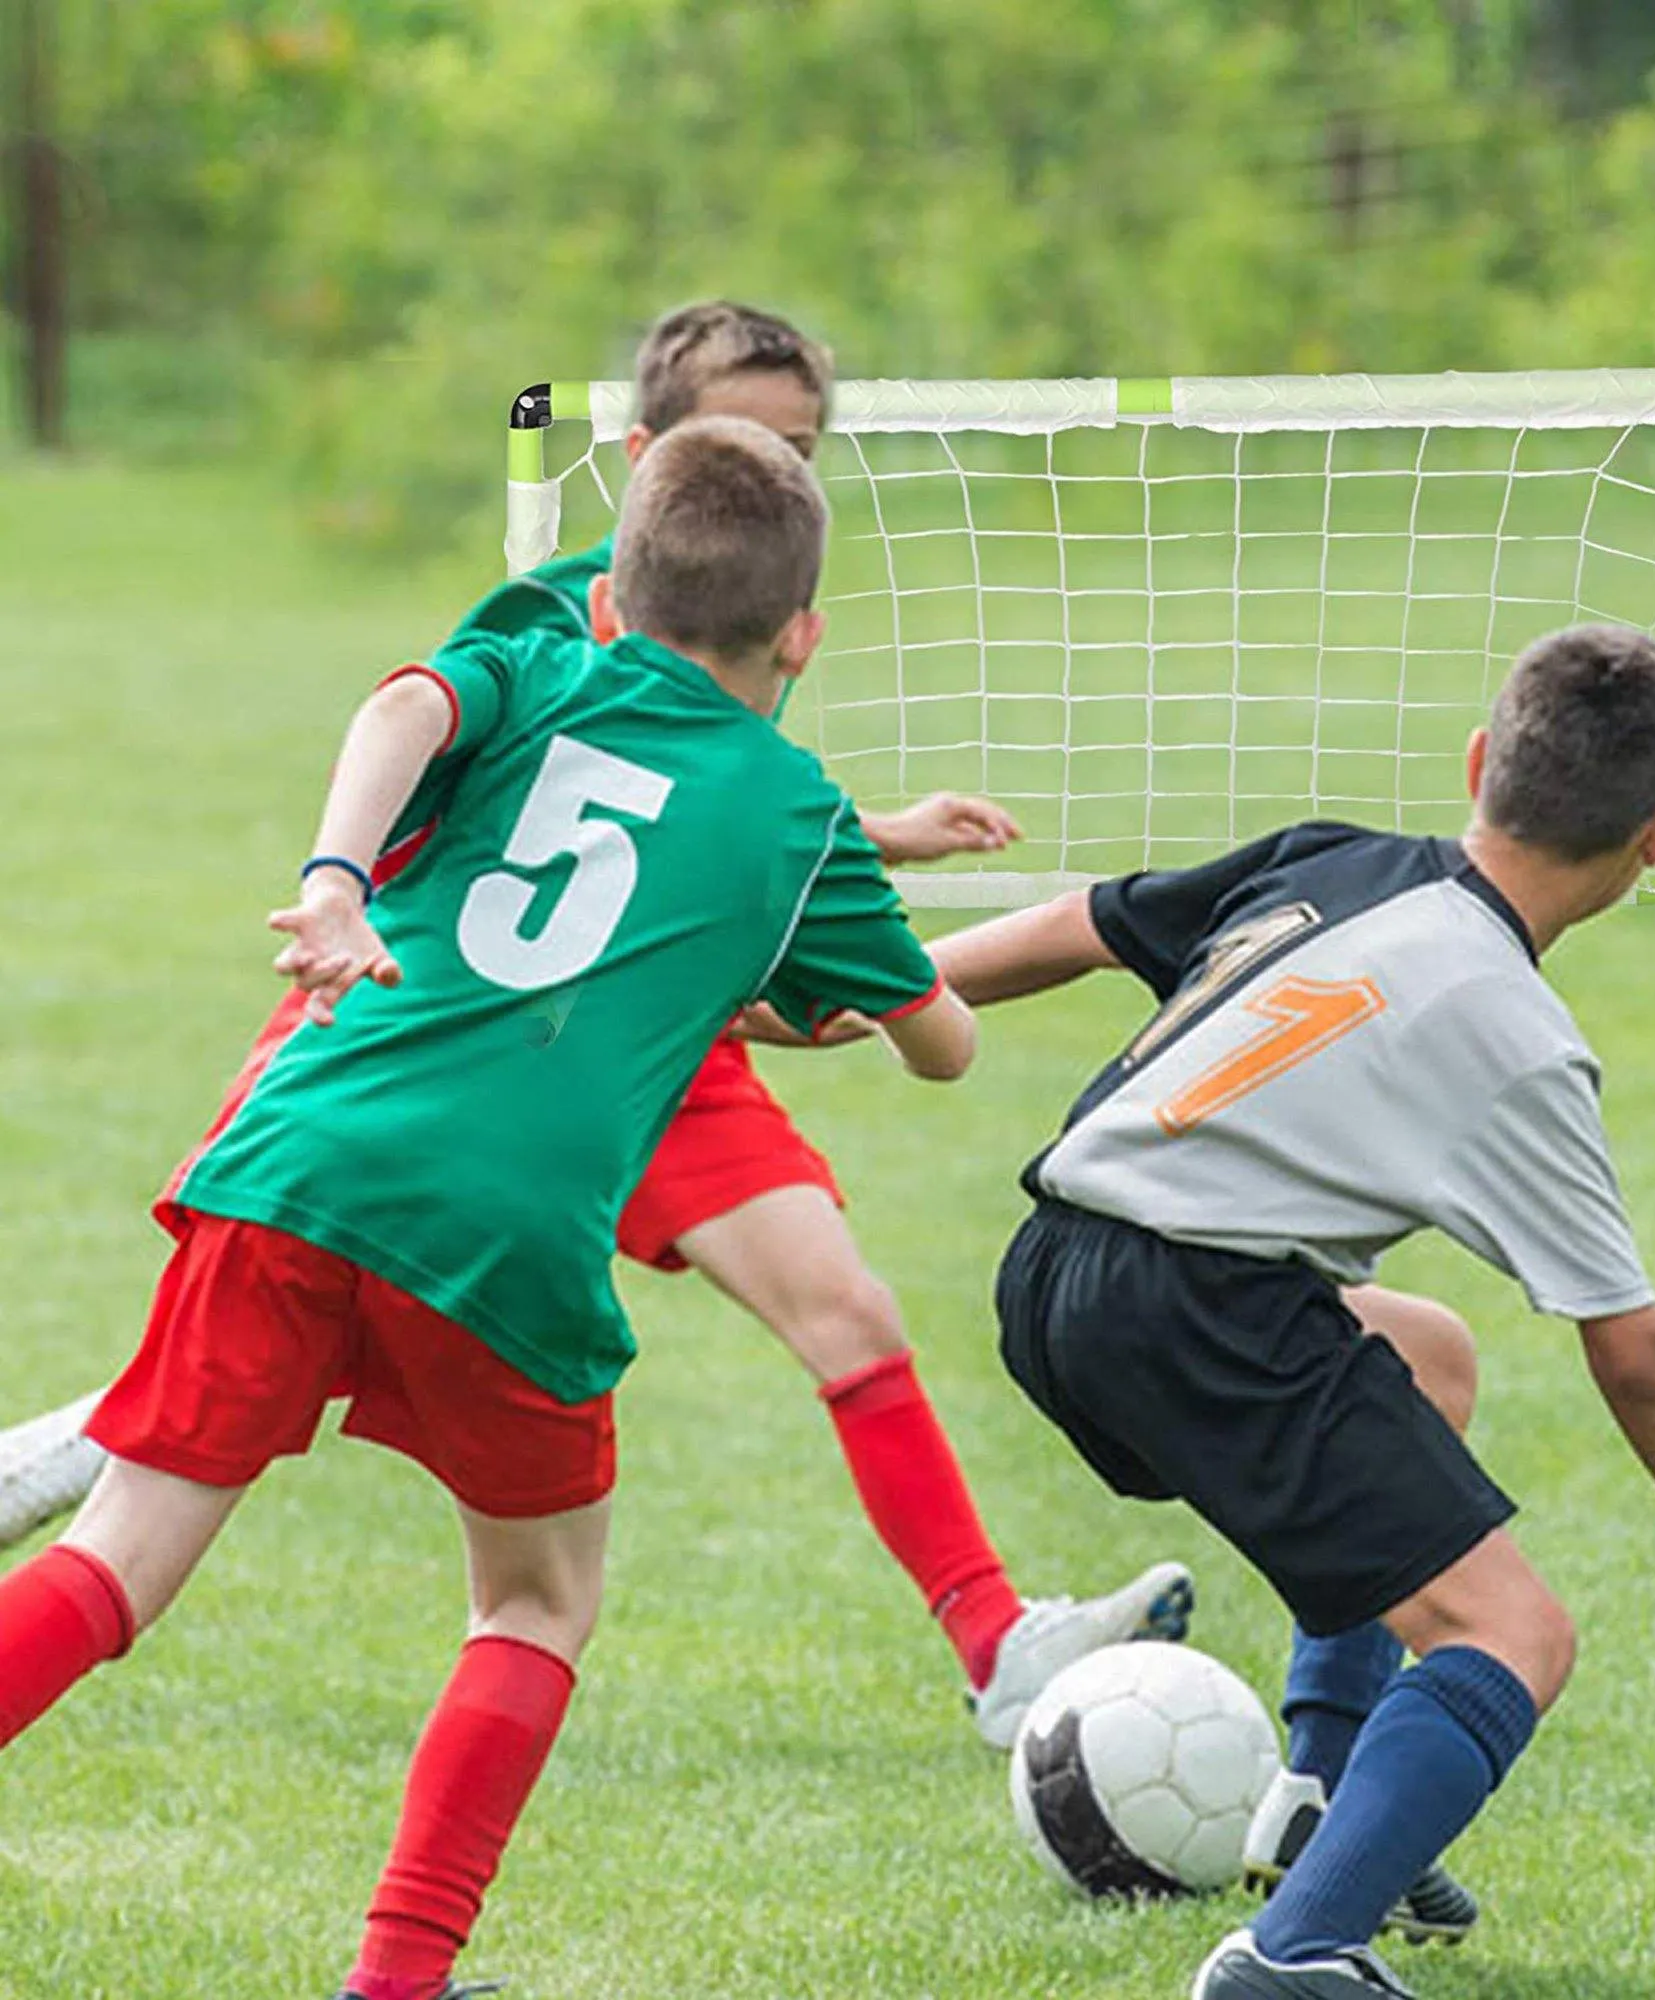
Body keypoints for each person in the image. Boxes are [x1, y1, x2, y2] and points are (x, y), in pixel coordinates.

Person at [0, 416, 980, 2000]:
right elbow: (939, 1044)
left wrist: (335, 879)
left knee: (122, 1556)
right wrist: (861, 993)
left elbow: (406, 702)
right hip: (509, 1238)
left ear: (608, 599)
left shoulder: (542, 649)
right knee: (534, 1597)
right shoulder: (800, 818)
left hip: (301, 1149)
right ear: (804, 636)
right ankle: (399, 1980)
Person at [144, 299, 1191, 1753]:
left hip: (655, 1047)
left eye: (804, 446)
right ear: (645, 455)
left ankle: (994, 1640)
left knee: (850, 1313)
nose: (786, 472)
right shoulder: (565, 612)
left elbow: (718, 830)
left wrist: (883, 835)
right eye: (749, 443)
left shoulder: (739, 603)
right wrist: (338, 882)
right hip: (496, 1045)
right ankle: (102, 1452)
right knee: (312, 1378)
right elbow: (481, 778)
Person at [910, 626, 1655, 1997]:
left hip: (1052, 1270)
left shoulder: (1333, 858)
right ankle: (1294, 1957)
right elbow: (1633, 1342)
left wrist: (885, 984)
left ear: (1483, 760)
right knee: (1515, 1635)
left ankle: (1318, 1789)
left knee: (1422, 1353)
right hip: (1192, 1310)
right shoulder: (1517, 1035)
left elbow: (1073, 929)